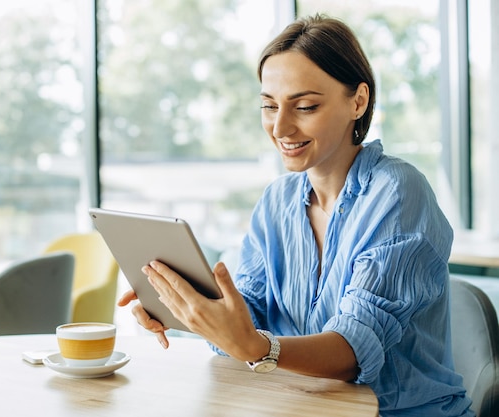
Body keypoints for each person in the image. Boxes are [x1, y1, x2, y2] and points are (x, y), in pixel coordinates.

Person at [118, 14, 473, 416]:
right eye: (269, 106)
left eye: (305, 106)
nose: (281, 127)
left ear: (358, 100)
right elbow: (246, 318)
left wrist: (258, 347)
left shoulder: (397, 191)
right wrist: (186, 305)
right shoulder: (278, 201)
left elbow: (354, 350)